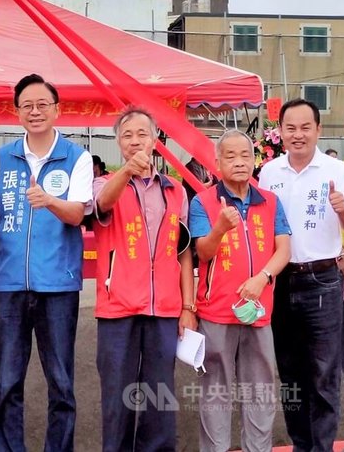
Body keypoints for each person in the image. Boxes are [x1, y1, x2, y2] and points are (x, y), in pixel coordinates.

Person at [0, 73, 93, 452]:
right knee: (7, 382)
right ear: (16, 112)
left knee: (61, 383)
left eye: (42, 104)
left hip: (58, 287)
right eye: (27, 105)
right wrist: (1, 269)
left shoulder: (77, 158)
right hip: (9, 288)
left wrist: (49, 200)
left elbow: (79, 214)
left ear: (57, 110)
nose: (35, 111)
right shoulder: (2, 158)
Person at [92, 107, 197, 452]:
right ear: (118, 142)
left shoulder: (176, 192)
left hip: (164, 309)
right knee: (117, 397)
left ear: (155, 139)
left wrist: (187, 306)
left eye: (142, 134)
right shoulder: (105, 184)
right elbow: (102, 205)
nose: (135, 141)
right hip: (118, 308)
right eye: (127, 135)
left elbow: (183, 251)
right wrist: (125, 173)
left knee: (158, 396)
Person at [189, 130, 291, 451]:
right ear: (217, 163)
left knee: (260, 388)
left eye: (245, 156)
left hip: (258, 310)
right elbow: (202, 252)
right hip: (216, 310)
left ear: (255, 160)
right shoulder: (202, 201)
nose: (239, 162)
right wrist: (220, 227)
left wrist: (263, 277)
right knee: (216, 390)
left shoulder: (271, 202)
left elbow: (283, 250)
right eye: (230, 156)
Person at [258, 98, 344, 451]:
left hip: (322, 280)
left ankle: (321, 447)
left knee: (324, 373)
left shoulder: (337, 171)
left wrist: (342, 213)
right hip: (281, 282)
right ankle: (300, 443)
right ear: (280, 131)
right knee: (291, 373)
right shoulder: (269, 173)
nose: (298, 135)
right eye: (290, 128)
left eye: (305, 127)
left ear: (318, 130)